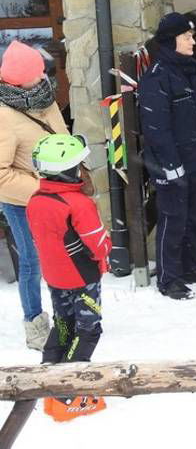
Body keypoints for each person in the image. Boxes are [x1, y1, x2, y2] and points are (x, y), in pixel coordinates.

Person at [27, 134, 111, 421]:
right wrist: (106, 252)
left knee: (63, 322)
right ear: (70, 169)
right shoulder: (78, 203)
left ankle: (48, 371)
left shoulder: (36, 200)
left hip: (55, 274)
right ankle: (69, 390)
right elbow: (97, 242)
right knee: (88, 328)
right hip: (82, 275)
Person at [139, 12, 196, 300]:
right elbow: (155, 128)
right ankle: (169, 277)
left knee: (194, 215)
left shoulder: (190, 70)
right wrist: (170, 165)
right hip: (171, 163)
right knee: (173, 217)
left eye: (192, 36)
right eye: (186, 36)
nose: (192, 40)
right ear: (171, 40)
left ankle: (192, 267)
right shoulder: (157, 77)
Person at [0, 40, 67, 350]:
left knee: (66, 255)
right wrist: (41, 189)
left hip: (61, 193)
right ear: (18, 77)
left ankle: (68, 313)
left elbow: (61, 139)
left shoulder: (46, 99)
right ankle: (35, 323)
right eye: (36, 72)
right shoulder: (3, 116)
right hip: (24, 202)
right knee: (32, 261)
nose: (43, 77)